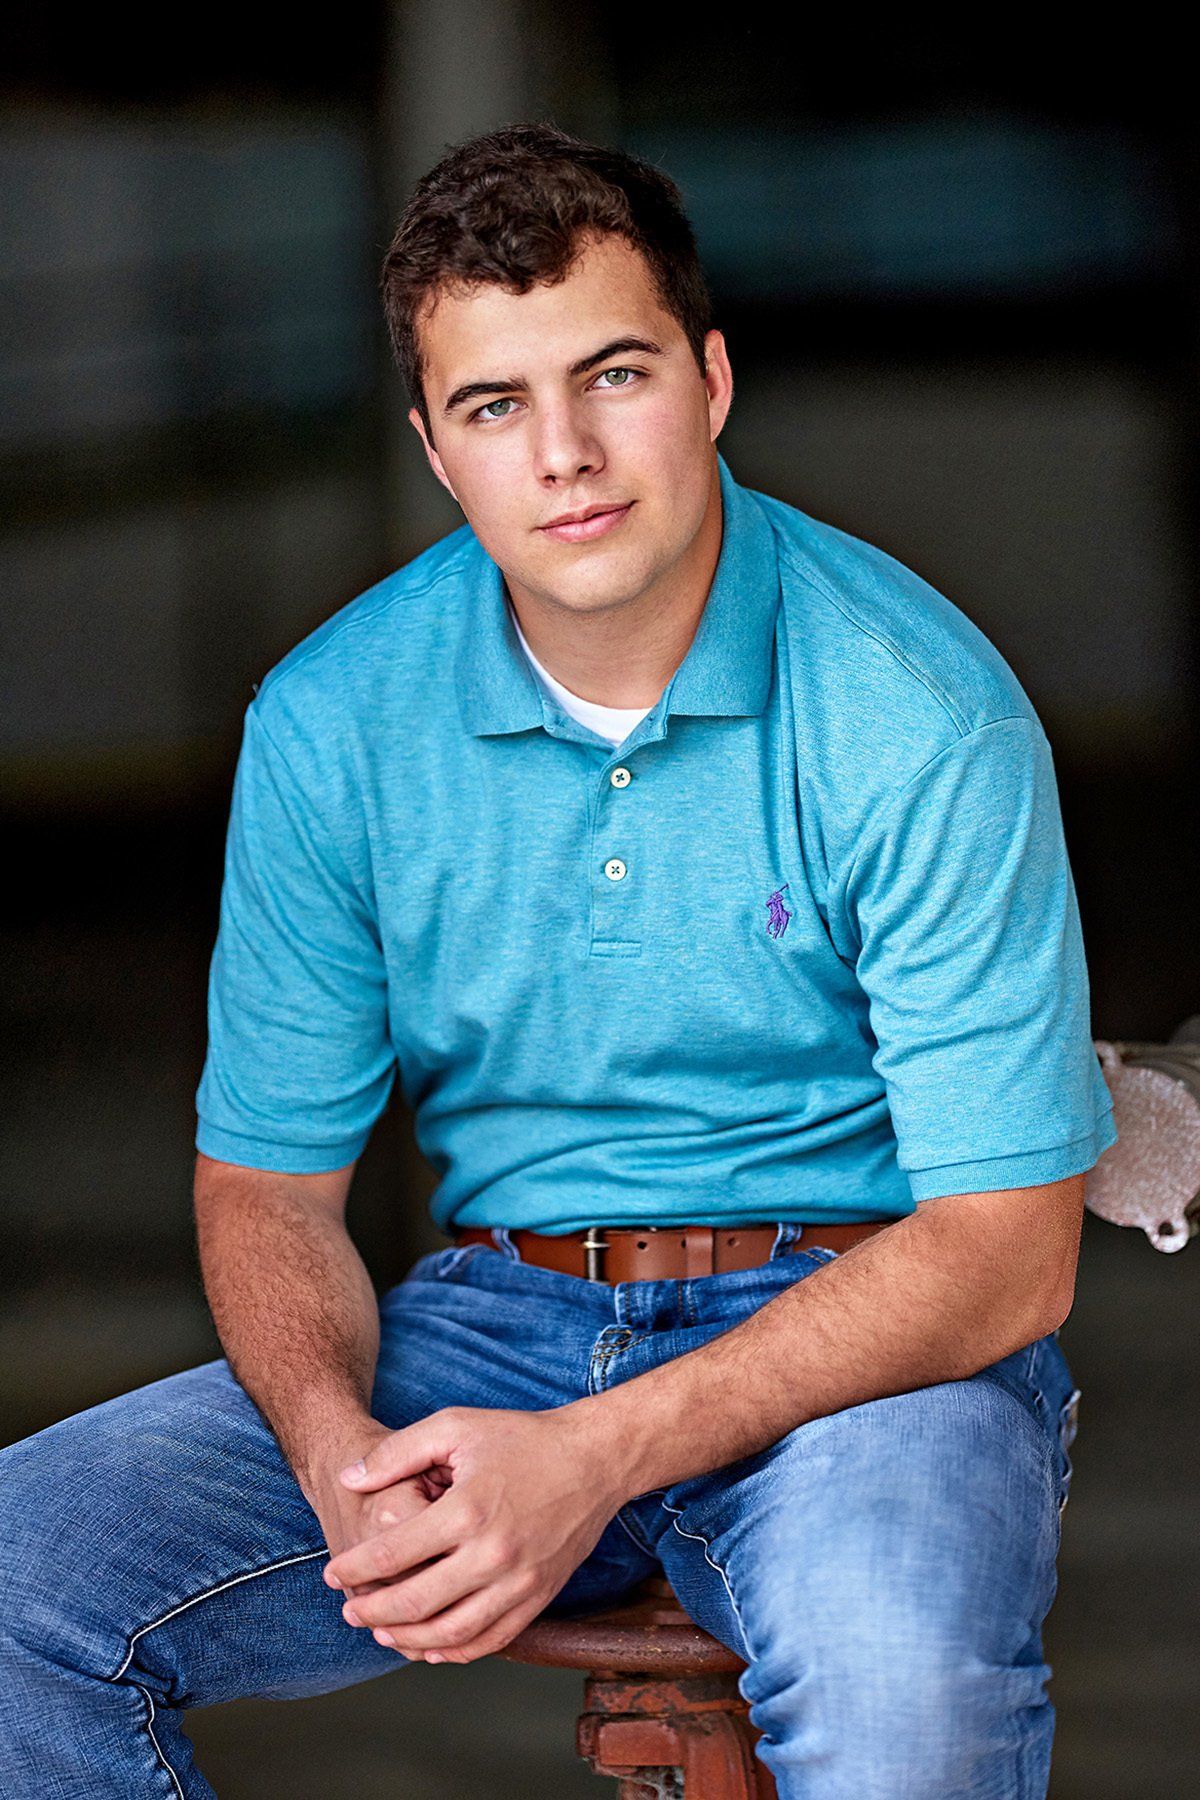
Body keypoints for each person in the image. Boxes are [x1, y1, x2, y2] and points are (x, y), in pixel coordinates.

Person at [0, 120, 1117, 1799]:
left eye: (616, 373)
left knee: (904, 1697)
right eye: (496, 405)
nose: (568, 454)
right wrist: (335, 1450)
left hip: (871, 1336)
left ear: (714, 379)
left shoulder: (919, 712)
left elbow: (1008, 1254)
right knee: (21, 1584)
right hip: (502, 1322)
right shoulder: (333, 722)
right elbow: (270, 1192)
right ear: (438, 451)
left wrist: (586, 1463)